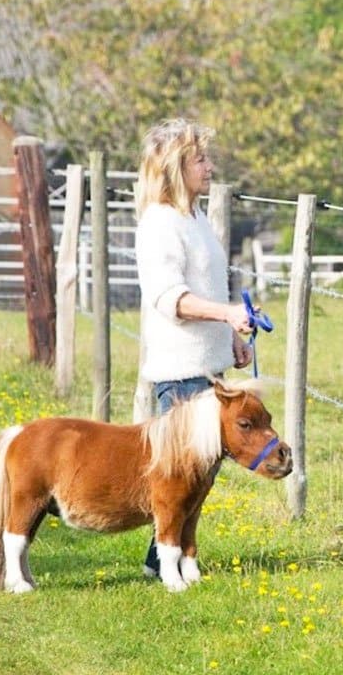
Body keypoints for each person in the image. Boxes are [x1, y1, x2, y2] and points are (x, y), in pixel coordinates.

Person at [133, 118, 254, 576]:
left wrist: (232, 338)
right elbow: (170, 299)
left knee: (195, 480)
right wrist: (226, 315)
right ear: (174, 168)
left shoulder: (196, 217)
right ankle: (168, 562)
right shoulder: (160, 224)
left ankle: (164, 561)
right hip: (179, 372)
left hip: (207, 369)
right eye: (199, 159)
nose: (209, 166)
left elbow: (205, 287)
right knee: (180, 478)